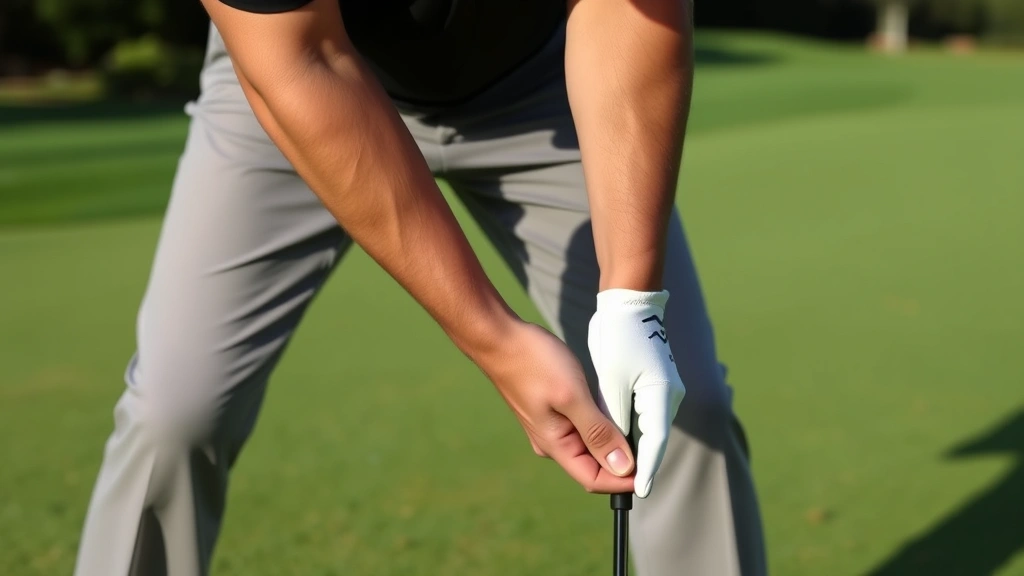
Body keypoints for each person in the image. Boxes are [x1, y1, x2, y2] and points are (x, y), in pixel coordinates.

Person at [73, 0, 767, 574]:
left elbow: (628, 10)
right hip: (301, 72)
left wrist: (631, 305)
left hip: (545, 79)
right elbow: (297, 58)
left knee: (684, 405)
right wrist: (495, 342)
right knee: (177, 408)